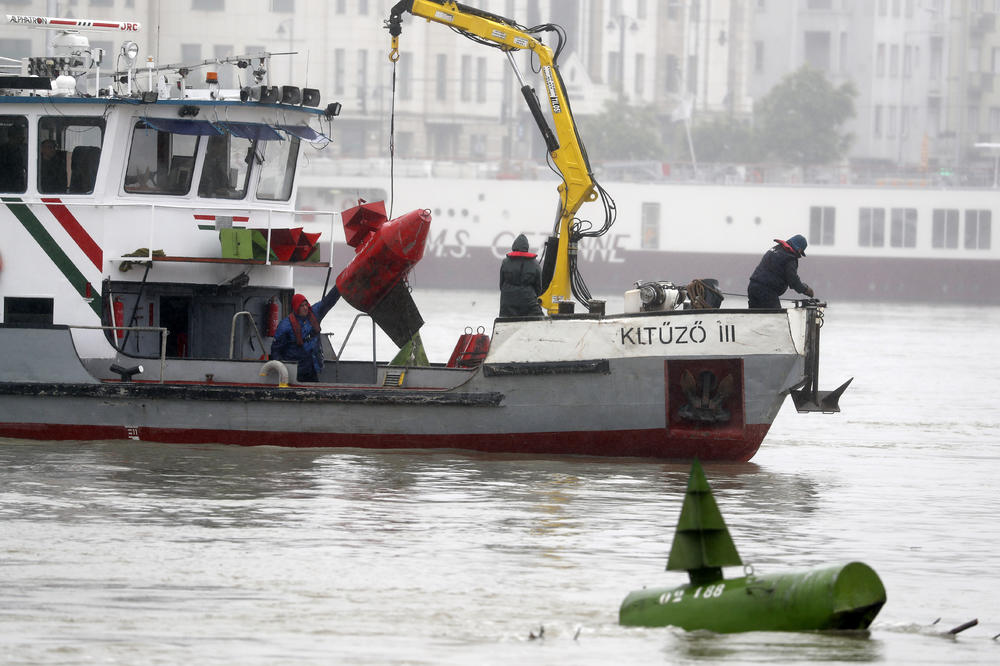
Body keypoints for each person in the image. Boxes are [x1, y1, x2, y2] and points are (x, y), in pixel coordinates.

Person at [269, 288, 341, 382]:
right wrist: (281, 370)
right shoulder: (285, 326)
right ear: (296, 307)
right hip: (296, 372)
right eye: (301, 306)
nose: (305, 308)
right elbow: (276, 350)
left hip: (313, 368)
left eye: (306, 304)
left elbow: (328, 301)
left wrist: (339, 288)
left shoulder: (314, 314)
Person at [747, 234, 814, 309]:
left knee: (754, 315)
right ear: (798, 248)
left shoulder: (775, 249)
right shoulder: (790, 257)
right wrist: (805, 289)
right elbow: (793, 280)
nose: (799, 254)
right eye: (801, 251)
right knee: (777, 315)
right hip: (766, 291)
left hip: (752, 287)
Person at [499, 233, 544, 317]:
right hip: (529, 300)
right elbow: (538, 287)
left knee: (506, 320)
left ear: (514, 246)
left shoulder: (505, 262)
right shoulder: (534, 263)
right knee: (539, 319)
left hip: (508, 302)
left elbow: (501, 284)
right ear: (527, 247)